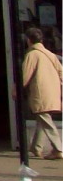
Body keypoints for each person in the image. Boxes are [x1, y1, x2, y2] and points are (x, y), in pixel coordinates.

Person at [21, 27, 63, 160]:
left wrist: (16, 88)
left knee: (45, 120)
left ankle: (58, 148)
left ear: (28, 40)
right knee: (43, 118)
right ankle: (36, 147)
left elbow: (25, 75)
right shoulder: (50, 54)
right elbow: (61, 71)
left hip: (40, 92)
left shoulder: (32, 54)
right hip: (52, 91)